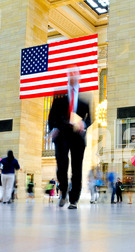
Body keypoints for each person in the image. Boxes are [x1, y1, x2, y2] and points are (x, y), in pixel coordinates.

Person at [48, 66, 92, 210]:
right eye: (70, 73)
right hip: (61, 135)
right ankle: (63, 192)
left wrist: (84, 124)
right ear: (67, 76)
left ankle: (74, 199)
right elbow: (52, 115)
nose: (72, 76)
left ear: (79, 76)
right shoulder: (59, 94)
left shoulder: (85, 98)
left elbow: (91, 118)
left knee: (77, 168)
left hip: (77, 136)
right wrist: (53, 129)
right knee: (61, 166)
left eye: (75, 73)